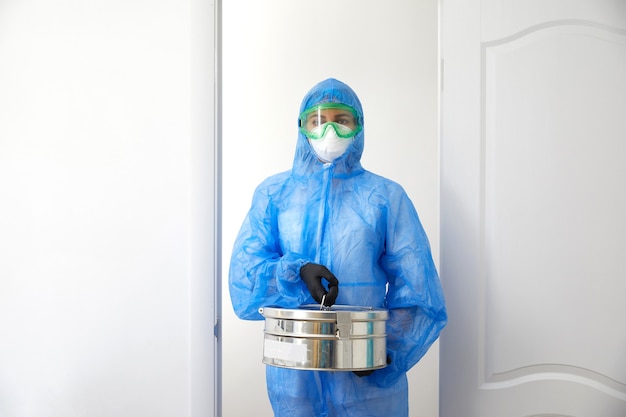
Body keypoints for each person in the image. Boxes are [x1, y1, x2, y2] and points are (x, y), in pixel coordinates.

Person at [228, 78, 447, 417]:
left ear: (358, 127)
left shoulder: (386, 196)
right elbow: (244, 282)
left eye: (341, 120)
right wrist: (295, 271)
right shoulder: (274, 194)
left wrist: (387, 351)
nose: (329, 130)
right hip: (295, 377)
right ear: (302, 128)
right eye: (317, 120)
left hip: (367, 385)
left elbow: (418, 288)